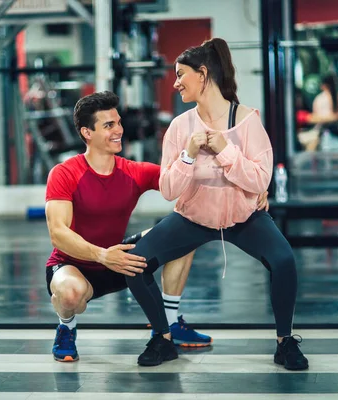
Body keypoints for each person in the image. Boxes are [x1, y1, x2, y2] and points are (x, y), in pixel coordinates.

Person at [124, 38, 309, 371]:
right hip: (193, 218)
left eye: (182, 74)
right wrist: (189, 154)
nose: (176, 82)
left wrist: (225, 150)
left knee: (284, 261)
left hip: (244, 218)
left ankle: (285, 343)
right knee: (134, 264)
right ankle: (163, 339)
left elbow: (260, 181)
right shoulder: (180, 127)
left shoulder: (248, 120)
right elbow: (167, 189)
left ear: (203, 74)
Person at [44, 91, 269, 362]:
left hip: (121, 259)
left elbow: (191, 178)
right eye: (109, 125)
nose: (119, 131)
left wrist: (253, 188)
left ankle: (170, 322)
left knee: (185, 233)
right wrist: (103, 255)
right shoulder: (65, 173)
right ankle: (66, 328)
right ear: (86, 132)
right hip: (74, 264)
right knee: (70, 294)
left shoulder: (133, 171)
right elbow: (58, 233)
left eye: (118, 123)